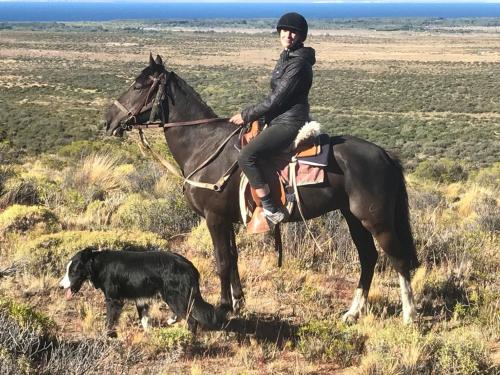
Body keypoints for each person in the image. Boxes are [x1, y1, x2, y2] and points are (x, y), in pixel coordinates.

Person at [230, 12, 316, 224]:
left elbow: (276, 100)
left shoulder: (298, 64)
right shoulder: (286, 57)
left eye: (293, 31)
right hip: (279, 118)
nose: (288, 34)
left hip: (289, 122)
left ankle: (270, 206)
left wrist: (246, 114)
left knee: (246, 156)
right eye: (285, 30)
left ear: (301, 36)